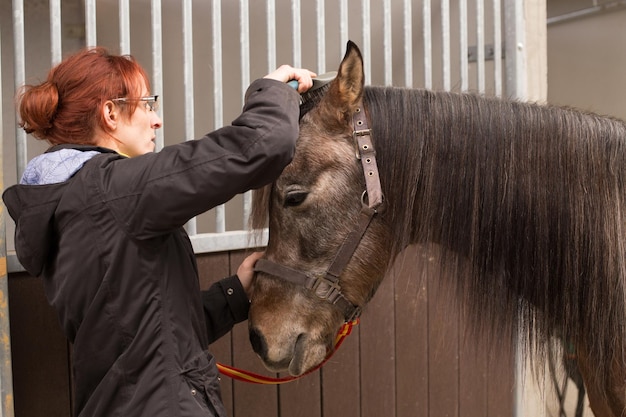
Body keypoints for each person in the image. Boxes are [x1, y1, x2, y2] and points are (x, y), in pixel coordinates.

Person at [2, 46, 315, 417]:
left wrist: (235, 292)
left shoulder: (75, 203)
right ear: (110, 113)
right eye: (147, 104)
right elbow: (263, 146)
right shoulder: (112, 190)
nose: (157, 120)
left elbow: (151, 333)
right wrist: (271, 89)